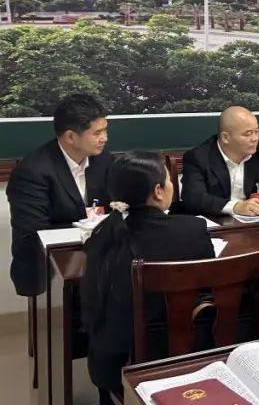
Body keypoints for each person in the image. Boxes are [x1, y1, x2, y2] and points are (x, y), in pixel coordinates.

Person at [81, 152, 214, 404]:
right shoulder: (193, 230)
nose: (172, 184)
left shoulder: (101, 237)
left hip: (115, 365)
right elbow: (207, 289)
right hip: (182, 354)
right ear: (158, 191)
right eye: (169, 179)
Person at [7, 93, 114, 296]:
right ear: (71, 137)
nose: (104, 138)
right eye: (97, 133)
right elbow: (33, 232)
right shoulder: (33, 171)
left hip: (95, 262)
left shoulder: (102, 159)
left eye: (105, 130)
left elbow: (113, 205)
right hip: (49, 268)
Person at [175, 106, 259, 216]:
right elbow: (194, 198)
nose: (255, 138)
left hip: (256, 223)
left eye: (257, 132)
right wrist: (236, 207)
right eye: (248, 134)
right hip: (218, 225)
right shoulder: (198, 157)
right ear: (225, 137)